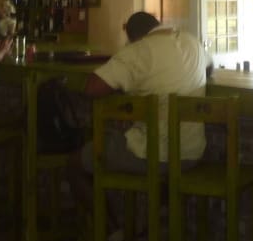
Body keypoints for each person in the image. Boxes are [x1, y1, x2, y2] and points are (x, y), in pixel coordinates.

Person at [76, 11, 209, 174]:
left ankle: (109, 193)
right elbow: (209, 67)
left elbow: (92, 88)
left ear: (132, 37)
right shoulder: (192, 42)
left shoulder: (138, 51)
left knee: (77, 162)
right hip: (192, 153)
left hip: (152, 155)